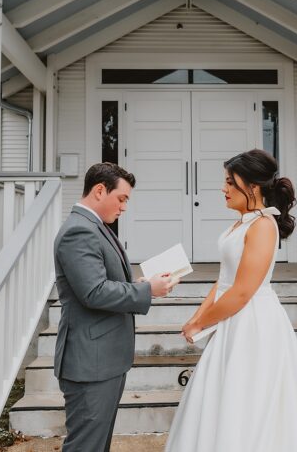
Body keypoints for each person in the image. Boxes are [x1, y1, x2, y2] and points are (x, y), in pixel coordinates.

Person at [165, 149, 297, 451]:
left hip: (252, 322)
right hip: (232, 317)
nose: (224, 188)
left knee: (250, 397)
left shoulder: (262, 226)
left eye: (231, 182)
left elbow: (243, 291)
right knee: (223, 394)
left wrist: (203, 323)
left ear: (253, 187)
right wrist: (196, 317)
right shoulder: (242, 222)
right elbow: (224, 280)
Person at [53, 162, 177, 451]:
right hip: (89, 364)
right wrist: (147, 290)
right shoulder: (79, 231)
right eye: (121, 199)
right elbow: (94, 292)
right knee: (86, 446)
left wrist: (141, 284)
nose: (124, 207)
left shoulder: (94, 226)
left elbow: (100, 281)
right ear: (99, 190)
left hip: (103, 360)